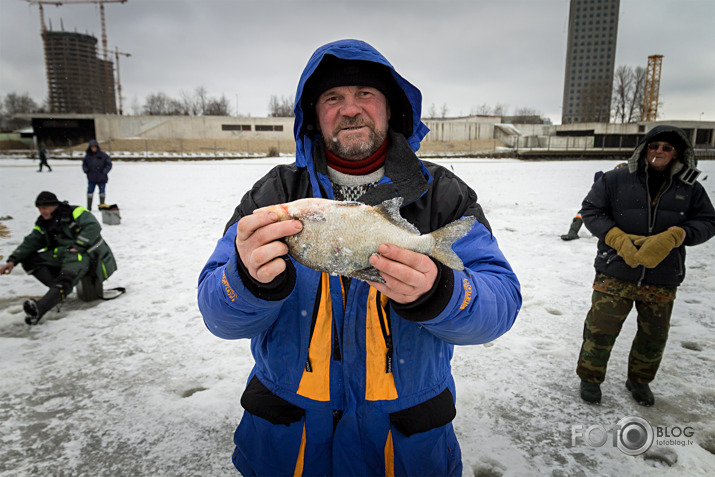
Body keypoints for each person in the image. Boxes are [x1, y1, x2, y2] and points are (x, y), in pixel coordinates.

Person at [197, 39, 521, 476]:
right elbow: (218, 314)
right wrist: (248, 281)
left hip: (404, 449)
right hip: (288, 446)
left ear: (392, 108)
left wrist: (441, 292)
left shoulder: (441, 194)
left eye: (365, 94)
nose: (350, 109)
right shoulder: (275, 195)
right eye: (333, 98)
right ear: (313, 115)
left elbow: (500, 302)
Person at [576, 125, 715, 406]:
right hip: (615, 268)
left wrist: (679, 235)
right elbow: (590, 210)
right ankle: (590, 378)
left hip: (662, 274)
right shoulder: (616, 179)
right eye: (654, 146)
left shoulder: (690, 187)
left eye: (667, 148)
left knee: (653, 335)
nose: (659, 152)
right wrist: (615, 237)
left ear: (678, 153)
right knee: (600, 328)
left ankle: (639, 380)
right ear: (644, 149)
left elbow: (708, 221)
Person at [0, 191, 117, 325]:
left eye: (45, 208)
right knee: (29, 260)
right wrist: (13, 260)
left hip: (83, 255)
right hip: (60, 254)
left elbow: (93, 227)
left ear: (54, 205)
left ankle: (41, 307)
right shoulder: (43, 223)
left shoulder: (75, 212)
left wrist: (78, 245)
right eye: (39, 208)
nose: (42, 211)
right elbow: (31, 241)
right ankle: (57, 292)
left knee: (66, 277)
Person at [82, 139, 112, 210]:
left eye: (95, 147)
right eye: (92, 147)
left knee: (102, 192)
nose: (93, 148)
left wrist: (105, 171)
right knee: (90, 192)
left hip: (102, 177)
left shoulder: (103, 155)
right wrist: (86, 170)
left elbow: (109, 164)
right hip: (91, 178)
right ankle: (89, 207)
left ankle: (101, 205)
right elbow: (84, 165)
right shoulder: (87, 156)